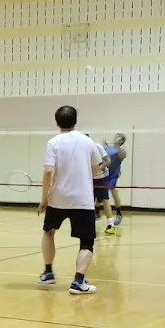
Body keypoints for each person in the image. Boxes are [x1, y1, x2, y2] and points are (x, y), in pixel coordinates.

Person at [39, 105, 109, 293]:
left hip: (58, 198)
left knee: (49, 231)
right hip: (83, 200)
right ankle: (78, 281)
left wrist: (44, 198)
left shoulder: (53, 142)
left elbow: (48, 171)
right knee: (86, 242)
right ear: (75, 121)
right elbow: (97, 167)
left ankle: (47, 273)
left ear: (56, 122)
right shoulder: (88, 142)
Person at [105, 133, 128, 225]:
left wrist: (118, 146)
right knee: (101, 194)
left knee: (113, 191)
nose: (117, 139)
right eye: (116, 138)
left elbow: (122, 156)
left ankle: (119, 214)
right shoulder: (108, 148)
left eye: (119, 139)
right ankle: (96, 212)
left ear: (122, 141)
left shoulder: (121, 151)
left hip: (113, 175)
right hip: (104, 174)